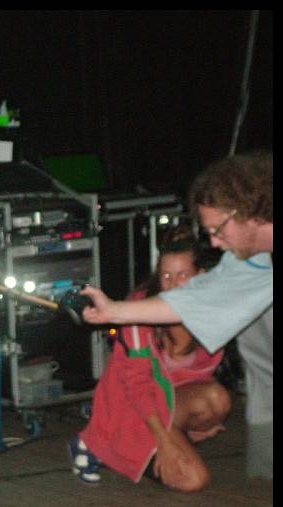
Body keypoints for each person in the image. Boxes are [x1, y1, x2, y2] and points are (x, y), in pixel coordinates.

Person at [80, 151, 273, 480]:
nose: (215, 242)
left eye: (218, 229)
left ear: (247, 213)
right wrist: (115, 310)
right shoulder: (249, 260)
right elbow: (193, 300)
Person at [70, 225, 230, 491]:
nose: (173, 284)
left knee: (217, 400)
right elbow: (137, 387)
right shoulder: (139, 311)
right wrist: (165, 442)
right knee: (194, 481)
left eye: (182, 275)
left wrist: (196, 425)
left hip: (167, 401)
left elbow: (200, 377)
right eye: (166, 275)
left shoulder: (212, 313)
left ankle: (159, 442)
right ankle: (99, 442)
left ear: (201, 276)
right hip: (133, 407)